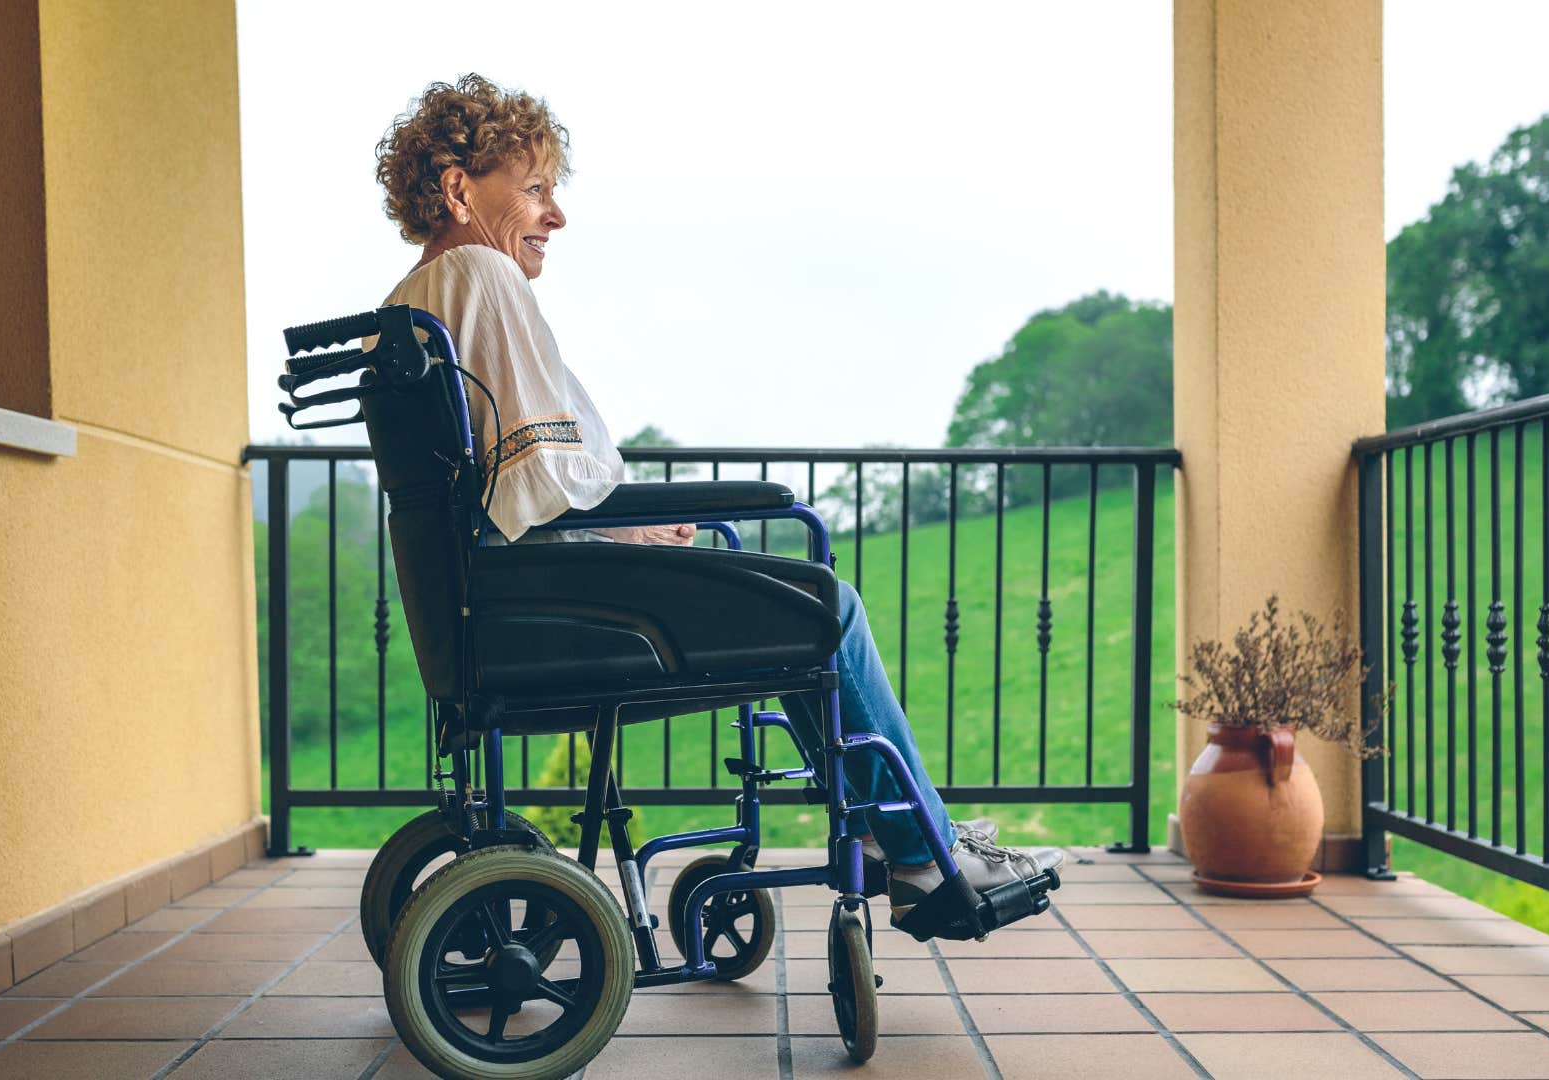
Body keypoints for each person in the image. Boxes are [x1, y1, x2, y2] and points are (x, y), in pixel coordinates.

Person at [371, 76, 1062, 929]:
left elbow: (504, 481)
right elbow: (539, 482)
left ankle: (893, 832)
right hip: (549, 602)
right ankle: (921, 854)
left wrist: (625, 521)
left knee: (794, 612)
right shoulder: (481, 273)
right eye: (537, 188)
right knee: (826, 607)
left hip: (489, 601)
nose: (557, 215)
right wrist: (631, 531)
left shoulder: (407, 304)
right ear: (458, 189)